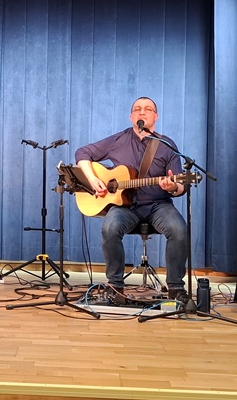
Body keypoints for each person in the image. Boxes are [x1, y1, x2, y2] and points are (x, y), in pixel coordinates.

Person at [74, 97, 189, 303]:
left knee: (179, 230)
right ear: (131, 116)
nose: (142, 112)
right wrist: (93, 180)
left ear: (156, 116)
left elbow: (181, 186)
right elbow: (82, 153)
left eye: (147, 109)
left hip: (158, 205)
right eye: (137, 109)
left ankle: (175, 288)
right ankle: (115, 288)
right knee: (109, 228)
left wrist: (173, 187)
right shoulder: (118, 140)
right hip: (125, 206)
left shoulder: (166, 145)